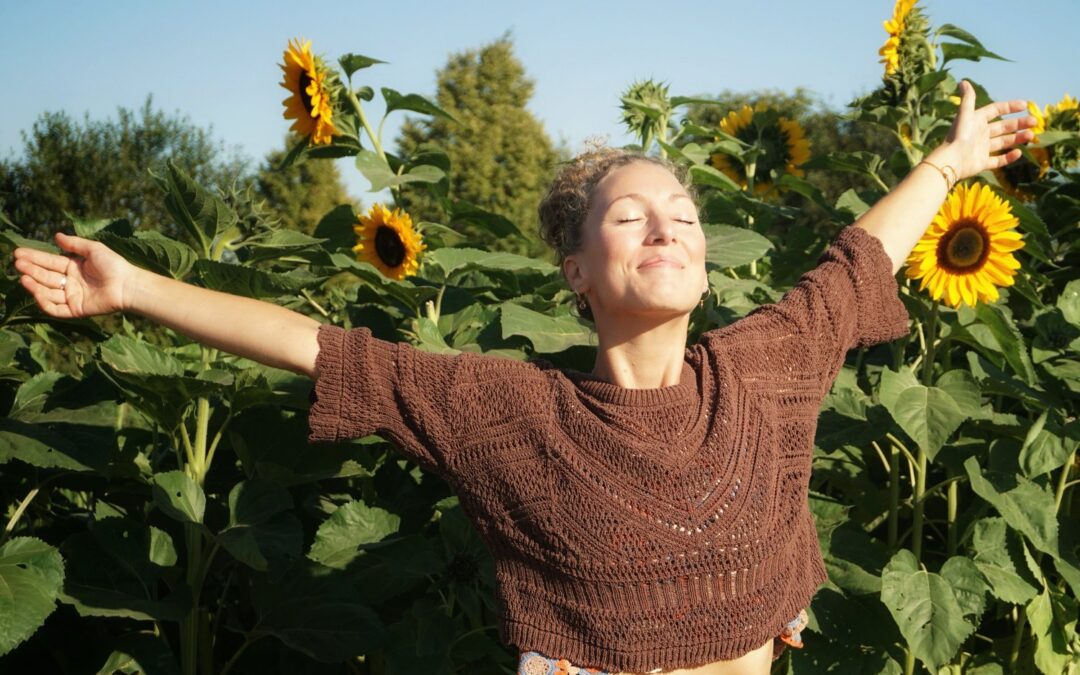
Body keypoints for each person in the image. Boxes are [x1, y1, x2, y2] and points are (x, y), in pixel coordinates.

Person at [10, 81, 1034, 675]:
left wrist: (948, 165)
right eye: (631, 217)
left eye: (682, 214)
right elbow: (319, 348)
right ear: (577, 273)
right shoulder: (512, 413)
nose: (668, 225)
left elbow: (857, 262)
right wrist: (138, 286)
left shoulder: (759, 370)